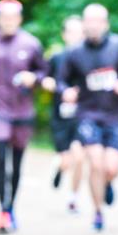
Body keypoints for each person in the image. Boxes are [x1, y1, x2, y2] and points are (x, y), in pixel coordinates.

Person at [56, 3, 118, 231]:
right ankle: (98, 212)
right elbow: (61, 80)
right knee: (95, 162)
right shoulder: (75, 52)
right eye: (89, 21)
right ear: (84, 24)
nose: (93, 25)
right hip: (87, 114)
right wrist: (66, 91)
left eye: (98, 21)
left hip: (115, 116)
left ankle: (107, 182)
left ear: (106, 24)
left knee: (110, 168)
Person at [0, 0, 48, 234]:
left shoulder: (31, 43)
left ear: (19, 19)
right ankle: (2, 211)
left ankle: (10, 207)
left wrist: (33, 78)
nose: (8, 21)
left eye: (13, 17)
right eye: (4, 17)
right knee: (1, 157)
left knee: (16, 163)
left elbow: (43, 72)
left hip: (22, 110)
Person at [42, 15, 86, 214]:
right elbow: (44, 77)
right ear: (64, 35)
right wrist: (53, 85)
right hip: (60, 115)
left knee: (79, 157)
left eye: (79, 32)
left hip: (82, 115)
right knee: (66, 159)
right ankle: (60, 168)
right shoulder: (56, 57)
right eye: (71, 32)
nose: (75, 36)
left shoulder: (90, 57)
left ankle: (73, 198)